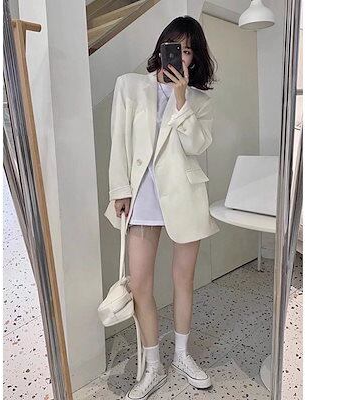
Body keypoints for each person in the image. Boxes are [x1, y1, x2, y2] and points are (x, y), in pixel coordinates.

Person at [106, 15, 219, 400]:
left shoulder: (199, 101)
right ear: (161, 47)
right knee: (140, 284)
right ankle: (153, 365)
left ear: (194, 58)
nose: (180, 56)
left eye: (187, 51)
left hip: (185, 197)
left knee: (183, 280)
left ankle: (182, 356)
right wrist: (119, 189)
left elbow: (196, 146)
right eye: (175, 47)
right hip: (142, 197)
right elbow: (119, 142)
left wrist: (181, 98)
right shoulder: (130, 85)